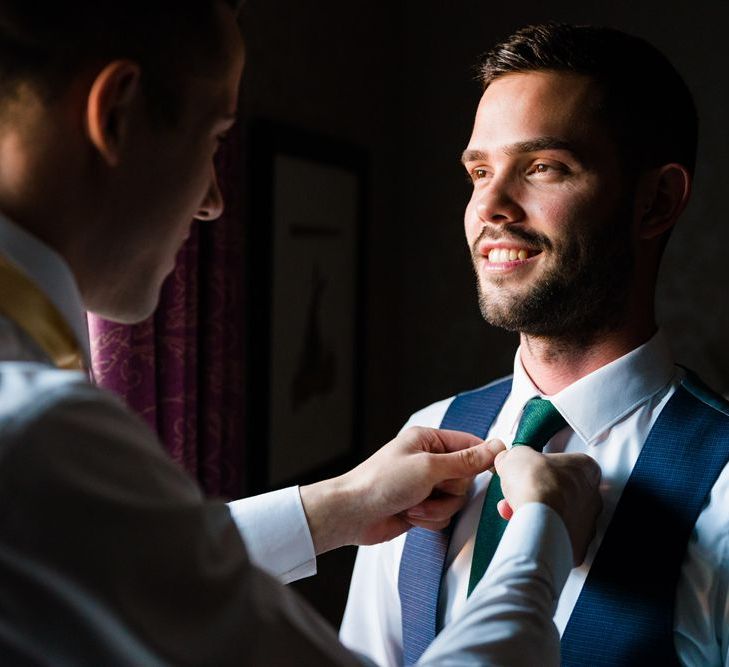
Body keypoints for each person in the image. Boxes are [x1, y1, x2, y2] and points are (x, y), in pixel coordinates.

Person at [0, 2, 604, 664]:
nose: (213, 200)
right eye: (214, 139)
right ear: (115, 113)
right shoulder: (36, 430)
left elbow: (95, 556)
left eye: (542, 166)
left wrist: (334, 508)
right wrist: (537, 542)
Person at [340, 22, 729, 667]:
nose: (490, 205)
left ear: (656, 201)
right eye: (479, 171)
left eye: (544, 167)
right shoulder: (424, 438)